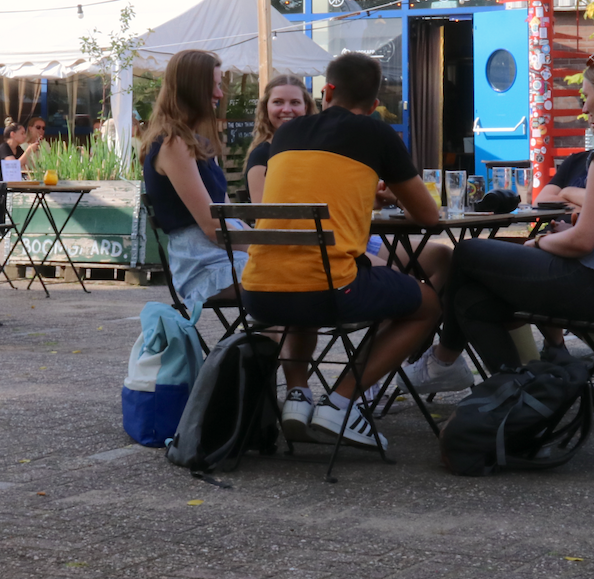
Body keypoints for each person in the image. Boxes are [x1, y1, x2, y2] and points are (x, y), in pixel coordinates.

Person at [407, 54, 594, 389]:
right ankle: (519, 392)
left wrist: (539, 242)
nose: (586, 107)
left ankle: (453, 365)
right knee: (473, 298)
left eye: (587, 97)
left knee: (467, 253)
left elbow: (584, 241)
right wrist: (568, 233)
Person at [241, 51, 442, 450]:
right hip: (330, 292)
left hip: (259, 293)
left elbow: (315, 191)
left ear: (327, 90)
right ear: (375, 103)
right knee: (428, 305)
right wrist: (386, 190)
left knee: (307, 275)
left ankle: (297, 396)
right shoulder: (378, 134)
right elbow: (428, 216)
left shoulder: (285, 136)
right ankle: (341, 402)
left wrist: (365, 195)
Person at [142, 50, 248, 315]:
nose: (220, 94)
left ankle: (265, 354)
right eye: (213, 86)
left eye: (219, 85)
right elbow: (212, 226)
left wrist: (277, 245)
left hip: (224, 256)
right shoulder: (173, 143)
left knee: (305, 277)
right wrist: (269, 249)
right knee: (300, 279)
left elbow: (229, 216)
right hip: (205, 265)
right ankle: (265, 355)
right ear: (191, 90)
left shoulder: (198, 144)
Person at [244, 74, 314, 202]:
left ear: (306, 107)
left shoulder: (318, 150)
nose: (287, 109)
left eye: (295, 102)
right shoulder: (261, 155)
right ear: (266, 107)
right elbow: (264, 215)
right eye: (278, 102)